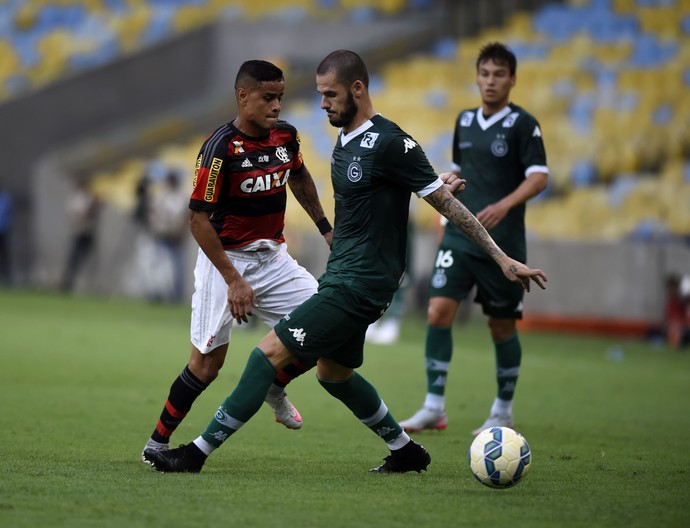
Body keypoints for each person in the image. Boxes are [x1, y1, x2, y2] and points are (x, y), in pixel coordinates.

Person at [142, 49, 546, 474]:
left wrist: (501, 257)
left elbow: (443, 203)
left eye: (330, 94)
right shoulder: (345, 137)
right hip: (331, 273)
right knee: (333, 373)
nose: (321, 104)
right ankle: (406, 451)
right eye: (318, 95)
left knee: (266, 357)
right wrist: (340, 225)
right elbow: (395, 187)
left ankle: (197, 453)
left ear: (357, 89)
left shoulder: (388, 140)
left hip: (358, 283)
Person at [141, 60, 333, 461]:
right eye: (268, 97)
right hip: (225, 260)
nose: (277, 105)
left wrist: (325, 228)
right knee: (207, 366)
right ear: (243, 96)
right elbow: (196, 219)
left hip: (273, 257)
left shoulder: (286, 137)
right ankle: (156, 443)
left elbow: (298, 176)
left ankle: (271, 386)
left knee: (328, 330)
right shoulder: (218, 149)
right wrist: (233, 280)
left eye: (280, 97)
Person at [399, 42, 549, 436]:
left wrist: (504, 204)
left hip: (505, 244)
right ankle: (434, 406)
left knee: (501, 327)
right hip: (460, 237)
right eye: (485, 74)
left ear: (512, 79)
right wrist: (449, 182)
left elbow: (539, 176)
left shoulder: (523, 124)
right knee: (437, 313)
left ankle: (502, 410)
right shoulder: (464, 121)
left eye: (499, 75)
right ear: (477, 77)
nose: (491, 82)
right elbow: (460, 168)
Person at [146, 170, 189, 303]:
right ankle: (158, 292)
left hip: (175, 237)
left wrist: (180, 233)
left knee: (175, 266)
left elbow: (184, 218)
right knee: (161, 266)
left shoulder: (181, 197)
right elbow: (154, 215)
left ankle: (175, 294)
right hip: (162, 235)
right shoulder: (161, 197)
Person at [60, 179, 102, 292]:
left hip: (89, 231)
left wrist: (97, 204)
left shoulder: (89, 197)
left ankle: (92, 285)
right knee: (75, 258)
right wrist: (92, 206)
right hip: (79, 231)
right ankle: (67, 283)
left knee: (90, 259)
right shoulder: (78, 198)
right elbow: (79, 214)